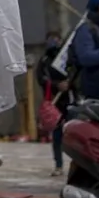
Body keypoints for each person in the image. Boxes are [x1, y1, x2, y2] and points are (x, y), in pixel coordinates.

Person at [35, 31, 74, 176]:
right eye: (51, 39)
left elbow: (75, 73)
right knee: (57, 135)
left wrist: (69, 84)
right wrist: (57, 85)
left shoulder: (67, 57)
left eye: (57, 39)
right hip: (54, 102)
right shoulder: (44, 60)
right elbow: (41, 78)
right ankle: (58, 164)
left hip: (70, 100)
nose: (54, 42)